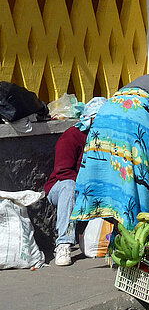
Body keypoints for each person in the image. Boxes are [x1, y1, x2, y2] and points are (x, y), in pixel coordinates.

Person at [71, 56, 149, 230]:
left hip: (104, 117)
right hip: (135, 120)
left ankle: (120, 240)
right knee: (141, 183)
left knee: (113, 182)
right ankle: (140, 238)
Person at [44, 97, 107, 266]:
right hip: (62, 187)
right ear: (91, 118)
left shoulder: (107, 139)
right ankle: (64, 243)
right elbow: (63, 172)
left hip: (91, 189)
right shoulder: (72, 136)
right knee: (70, 187)